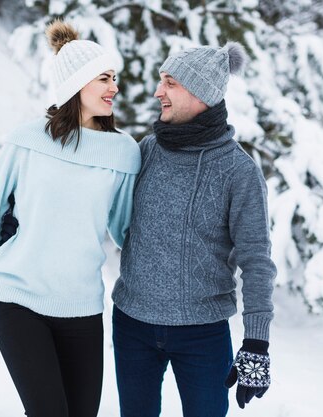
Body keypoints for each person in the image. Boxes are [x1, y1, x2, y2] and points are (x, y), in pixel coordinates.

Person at [0, 20, 140, 417]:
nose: (114, 88)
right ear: (76, 85)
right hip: (20, 301)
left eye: (114, 78)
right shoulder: (28, 140)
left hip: (83, 307)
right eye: (104, 78)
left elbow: (128, 235)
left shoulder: (123, 153)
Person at [110, 42, 277, 417]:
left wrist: (257, 341)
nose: (158, 92)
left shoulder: (239, 171)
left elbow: (256, 260)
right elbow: (102, 201)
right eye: (160, 82)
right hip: (132, 324)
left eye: (169, 83)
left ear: (200, 91)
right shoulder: (148, 149)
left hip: (202, 335)